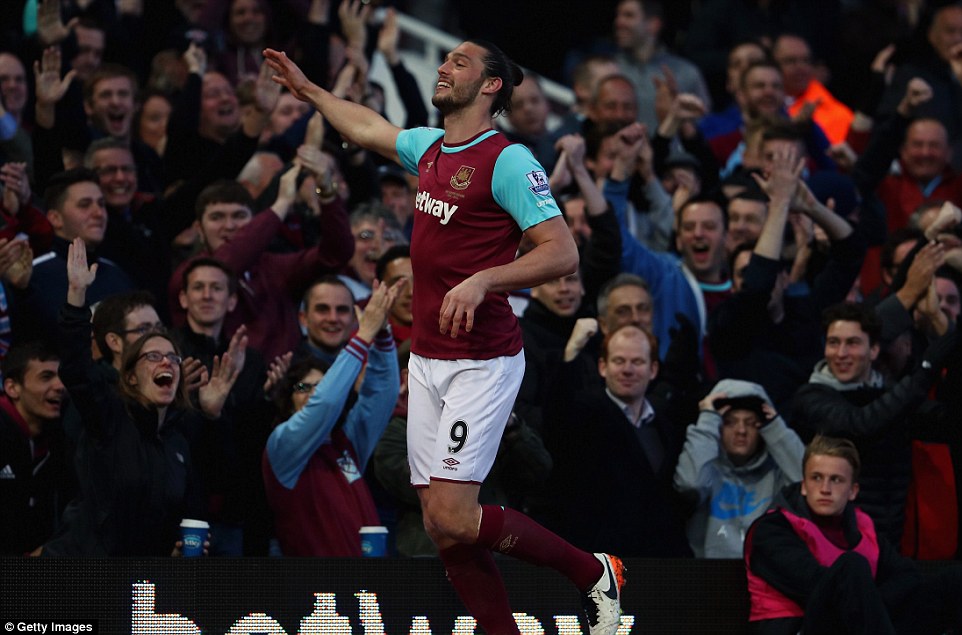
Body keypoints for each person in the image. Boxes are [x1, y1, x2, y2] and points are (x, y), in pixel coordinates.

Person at [266, 37, 624, 635]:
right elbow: (371, 129)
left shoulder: (508, 161)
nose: (442, 66)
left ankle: (593, 572)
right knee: (440, 523)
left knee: (456, 515)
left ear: (490, 86)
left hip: (481, 361)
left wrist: (486, 279)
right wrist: (308, 91)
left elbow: (562, 252)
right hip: (429, 360)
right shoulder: (432, 149)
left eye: (459, 61)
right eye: (445, 58)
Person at [42, 238, 239, 556]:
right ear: (131, 377)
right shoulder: (108, 415)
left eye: (172, 358)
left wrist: (174, 550)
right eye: (152, 356)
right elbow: (77, 368)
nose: (166, 362)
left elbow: (201, 500)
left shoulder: (176, 440)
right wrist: (77, 297)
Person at [744, 435, 962, 635]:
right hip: (799, 626)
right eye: (816, 478)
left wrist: (871, 605)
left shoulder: (862, 527)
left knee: (953, 580)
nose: (825, 488)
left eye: (836, 480)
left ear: (853, 491)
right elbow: (816, 586)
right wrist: (869, 602)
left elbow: (907, 575)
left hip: (857, 626)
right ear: (803, 486)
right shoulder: (773, 528)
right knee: (851, 567)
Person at [263, 279, 401, 556]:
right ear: (287, 397)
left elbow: (382, 395)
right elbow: (325, 402)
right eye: (304, 387)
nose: (313, 393)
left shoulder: (344, 442)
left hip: (366, 584)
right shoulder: (282, 445)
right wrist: (362, 337)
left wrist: (382, 334)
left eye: (321, 384)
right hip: (317, 586)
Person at [673, 379, 803, 558]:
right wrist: (707, 420)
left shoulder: (777, 473)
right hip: (707, 577)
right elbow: (690, 485)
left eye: (751, 423)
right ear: (717, 425)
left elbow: (806, 486)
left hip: (764, 580)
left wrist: (776, 429)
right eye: (730, 422)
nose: (741, 430)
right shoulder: (704, 467)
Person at [0, 342, 74, 556]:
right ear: (12, 388)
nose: (60, 386)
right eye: (46, 377)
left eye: (61, 376)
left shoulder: (58, 436)